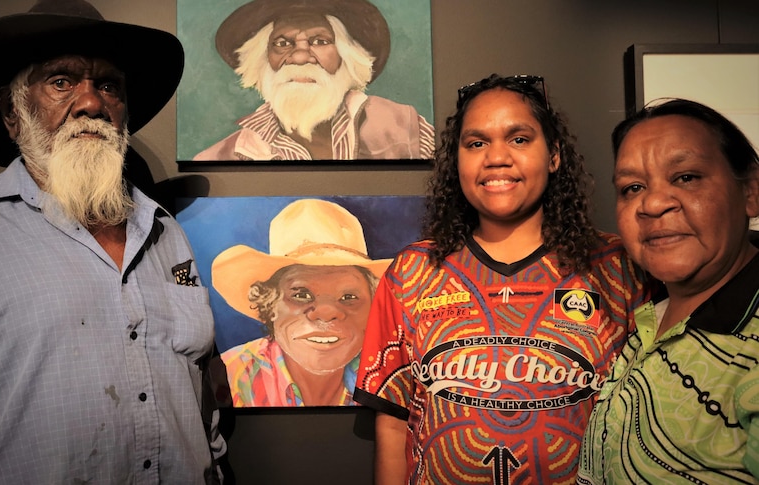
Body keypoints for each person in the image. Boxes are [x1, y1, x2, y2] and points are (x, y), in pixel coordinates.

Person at [0, 1, 225, 483]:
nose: (92, 103)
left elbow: (200, 402)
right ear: (13, 112)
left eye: (108, 85)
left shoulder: (166, 233)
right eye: (61, 81)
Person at [353, 74, 649, 484]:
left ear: (554, 155)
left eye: (519, 139)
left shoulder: (616, 268)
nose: (496, 158)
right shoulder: (412, 272)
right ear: (456, 161)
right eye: (476, 143)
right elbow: (392, 424)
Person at [578, 99, 759, 483]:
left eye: (686, 177)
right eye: (633, 187)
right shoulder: (646, 313)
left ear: (751, 192)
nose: (653, 203)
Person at [193, 0, 435, 161]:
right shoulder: (221, 157)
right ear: (262, 59)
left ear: (347, 57)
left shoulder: (405, 127)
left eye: (320, 41)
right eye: (281, 43)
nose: (299, 57)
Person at [211, 199, 391, 406]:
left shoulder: (390, 377)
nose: (326, 312)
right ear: (269, 305)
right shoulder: (230, 376)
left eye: (348, 297)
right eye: (301, 294)